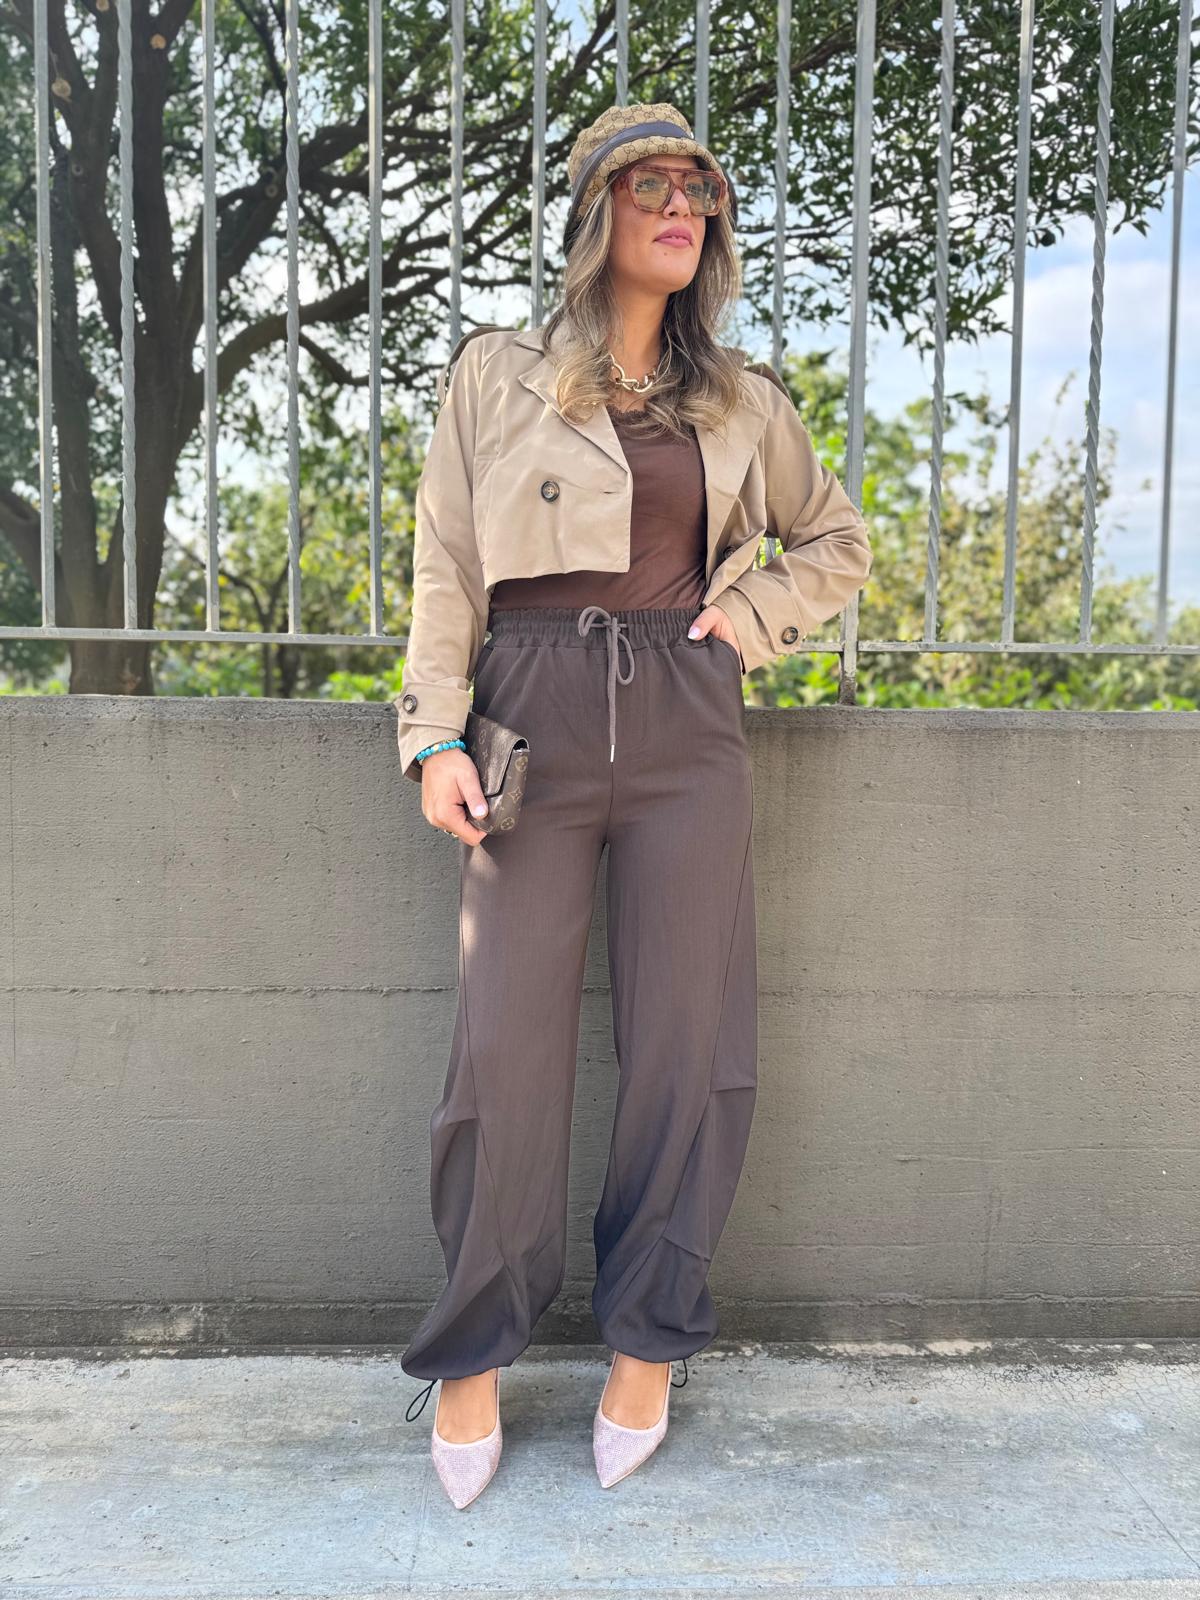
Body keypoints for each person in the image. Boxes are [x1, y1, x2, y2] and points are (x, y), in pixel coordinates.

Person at [393, 102, 873, 1508]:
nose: (678, 206)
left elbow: (836, 539)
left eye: (697, 190)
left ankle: (648, 1341)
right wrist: (434, 735)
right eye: (646, 183)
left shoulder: (741, 399)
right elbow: (446, 565)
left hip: (683, 715)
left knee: (688, 1040)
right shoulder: (496, 373)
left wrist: (746, 622)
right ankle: (472, 1350)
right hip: (527, 710)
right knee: (503, 1048)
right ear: (593, 209)